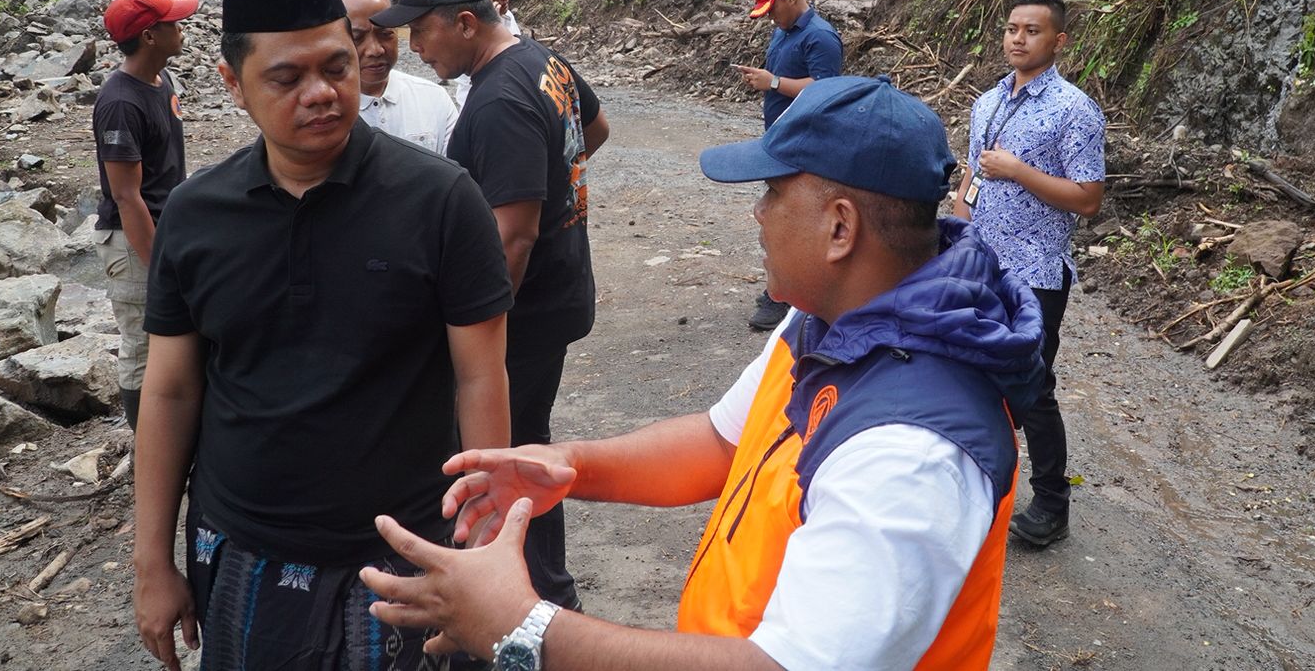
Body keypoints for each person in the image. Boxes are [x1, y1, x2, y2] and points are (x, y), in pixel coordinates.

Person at [358, 76, 1046, 671]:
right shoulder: (835, 318)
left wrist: (525, 628)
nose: (757, 213)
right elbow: (723, 442)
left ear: (841, 229)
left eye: (774, 192)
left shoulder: (912, 450)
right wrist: (568, 465)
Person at [132, 0, 513, 671]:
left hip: (400, 545)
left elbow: (480, 378)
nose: (322, 93)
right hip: (242, 542)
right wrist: (152, 561)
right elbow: (172, 389)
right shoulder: (195, 215)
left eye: (336, 67)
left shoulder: (439, 200)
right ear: (232, 84)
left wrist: (484, 550)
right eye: (286, 77)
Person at [373, 0, 609, 613]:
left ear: (467, 22)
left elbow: (513, 237)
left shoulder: (500, 98)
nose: (413, 49)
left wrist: (479, 333)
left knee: (504, 458)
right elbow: (595, 127)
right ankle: (540, 592)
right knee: (526, 442)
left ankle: (535, 600)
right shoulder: (543, 60)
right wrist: (558, 178)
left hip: (524, 315)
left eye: (421, 32)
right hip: (561, 293)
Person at [953, 0, 1106, 548]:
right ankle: (970, 488)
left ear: (1059, 41)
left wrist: (1018, 170)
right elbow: (972, 172)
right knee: (966, 374)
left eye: (1032, 30)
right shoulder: (987, 101)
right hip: (980, 262)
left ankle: (1051, 504)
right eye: (1012, 28)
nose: (1018, 38)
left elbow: (1088, 198)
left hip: (1037, 273)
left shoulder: (1074, 109)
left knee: (1032, 387)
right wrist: (961, 218)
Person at [93, 0, 199, 430]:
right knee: (143, 343)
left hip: (166, 227)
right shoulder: (120, 102)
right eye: (172, 21)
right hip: (133, 238)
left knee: (178, 336)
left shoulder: (161, 81)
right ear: (150, 36)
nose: (182, 27)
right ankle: (148, 445)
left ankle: (179, 430)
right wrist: (158, 267)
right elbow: (126, 195)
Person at [733, 0, 843, 331]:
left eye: (773, 9)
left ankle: (786, 297)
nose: (771, 18)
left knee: (794, 219)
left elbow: (827, 92)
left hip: (807, 144)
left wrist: (774, 82)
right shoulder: (783, 32)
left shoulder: (821, 37)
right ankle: (787, 292)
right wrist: (765, 81)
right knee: (779, 216)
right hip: (781, 140)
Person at [337, 0, 458, 153]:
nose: (375, 50)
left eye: (385, 34)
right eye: (357, 38)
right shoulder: (324, 115)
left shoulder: (434, 99)